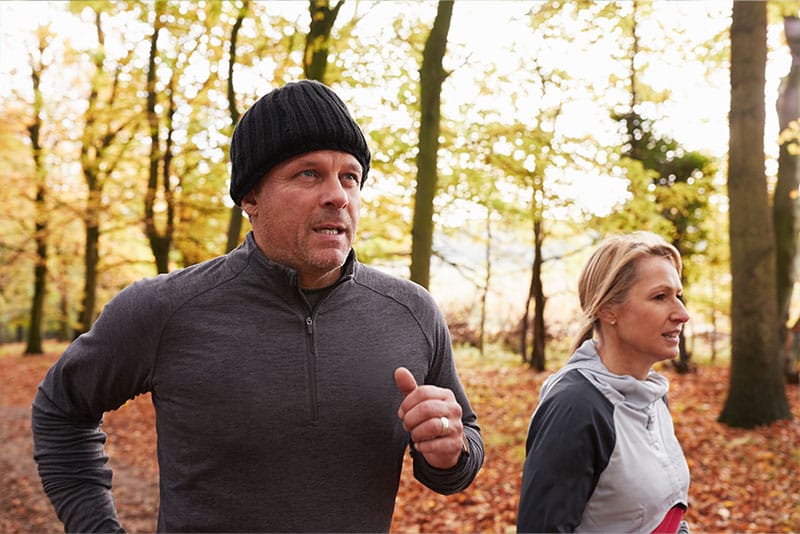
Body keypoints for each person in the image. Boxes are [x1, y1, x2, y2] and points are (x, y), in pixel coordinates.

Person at [32, 80, 484, 533]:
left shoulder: (411, 311)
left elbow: (462, 446)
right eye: (309, 173)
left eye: (350, 176)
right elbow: (61, 409)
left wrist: (450, 453)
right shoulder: (165, 308)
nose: (338, 195)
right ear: (250, 198)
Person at [517, 231, 691, 533]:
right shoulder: (575, 407)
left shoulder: (651, 393)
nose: (682, 314)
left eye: (678, 296)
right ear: (608, 309)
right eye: (660, 297)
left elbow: (661, 515)